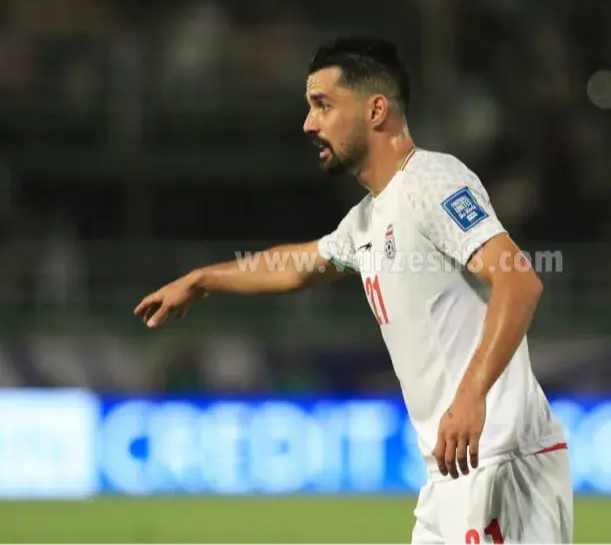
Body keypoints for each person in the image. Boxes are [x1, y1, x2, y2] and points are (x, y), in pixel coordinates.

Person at [135, 35, 572, 544]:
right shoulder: (368, 219)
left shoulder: (432, 180)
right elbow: (298, 265)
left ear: (376, 110)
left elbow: (519, 282)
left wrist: (472, 394)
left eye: (323, 105)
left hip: (501, 456)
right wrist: (203, 278)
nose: (309, 123)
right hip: (451, 471)